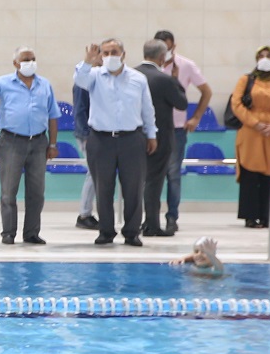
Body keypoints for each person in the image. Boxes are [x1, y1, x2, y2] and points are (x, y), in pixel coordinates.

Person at [0, 46, 61, 245]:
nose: (30, 62)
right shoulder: (3, 83)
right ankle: (8, 233)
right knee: (8, 190)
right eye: (26, 59)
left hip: (39, 141)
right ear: (15, 63)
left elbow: (53, 116)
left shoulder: (45, 85)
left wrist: (52, 143)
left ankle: (31, 233)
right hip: (11, 141)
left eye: (33, 58)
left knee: (36, 192)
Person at [74, 39, 158, 246]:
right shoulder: (94, 76)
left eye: (114, 52)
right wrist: (87, 61)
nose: (110, 56)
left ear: (123, 54)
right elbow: (79, 80)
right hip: (101, 139)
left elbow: (147, 109)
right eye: (106, 53)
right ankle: (106, 231)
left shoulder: (138, 78)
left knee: (133, 188)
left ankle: (131, 232)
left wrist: (151, 134)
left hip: (132, 139)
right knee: (103, 188)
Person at [155, 30, 213, 235]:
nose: (164, 51)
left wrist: (196, 117)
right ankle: (151, 217)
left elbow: (206, 91)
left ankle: (172, 217)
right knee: (152, 176)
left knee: (173, 174)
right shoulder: (150, 68)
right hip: (152, 128)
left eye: (167, 47)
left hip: (176, 129)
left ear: (173, 46)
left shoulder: (186, 65)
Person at [229, 45, 270, 229]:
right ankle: (250, 216)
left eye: (268, 56)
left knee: (269, 176)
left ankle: (267, 216)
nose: (265, 59)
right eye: (261, 56)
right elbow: (236, 104)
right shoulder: (246, 80)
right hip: (250, 133)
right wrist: (254, 123)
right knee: (250, 175)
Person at [136, 40, 190, 238]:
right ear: (162, 57)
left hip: (133, 136)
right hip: (160, 137)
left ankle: (135, 222)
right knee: (154, 181)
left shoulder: (131, 75)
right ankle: (152, 224)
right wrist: (175, 80)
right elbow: (182, 103)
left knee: (135, 182)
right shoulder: (164, 80)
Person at [73, 80, 99, 231]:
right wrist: (86, 135)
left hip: (97, 134)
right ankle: (84, 214)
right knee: (93, 172)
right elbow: (79, 110)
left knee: (95, 173)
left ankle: (86, 212)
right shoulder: (82, 82)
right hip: (88, 135)